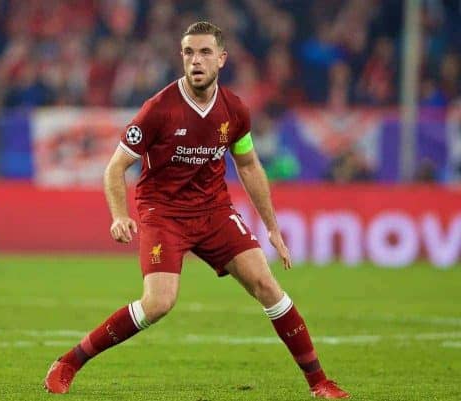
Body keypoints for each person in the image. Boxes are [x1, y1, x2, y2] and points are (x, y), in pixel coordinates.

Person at [44, 21, 349, 399]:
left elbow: (249, 166)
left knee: (267, 285)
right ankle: (69, 362)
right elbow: (115, 168)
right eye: (189, 52)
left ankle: (319, 382)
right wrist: (120, 215)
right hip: (164, 213)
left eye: (205, 52)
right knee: (158, 303)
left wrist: (272, 227)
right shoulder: (158, 109)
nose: (196, 60)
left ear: (221, 59)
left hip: (214, 211)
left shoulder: (235, 111)